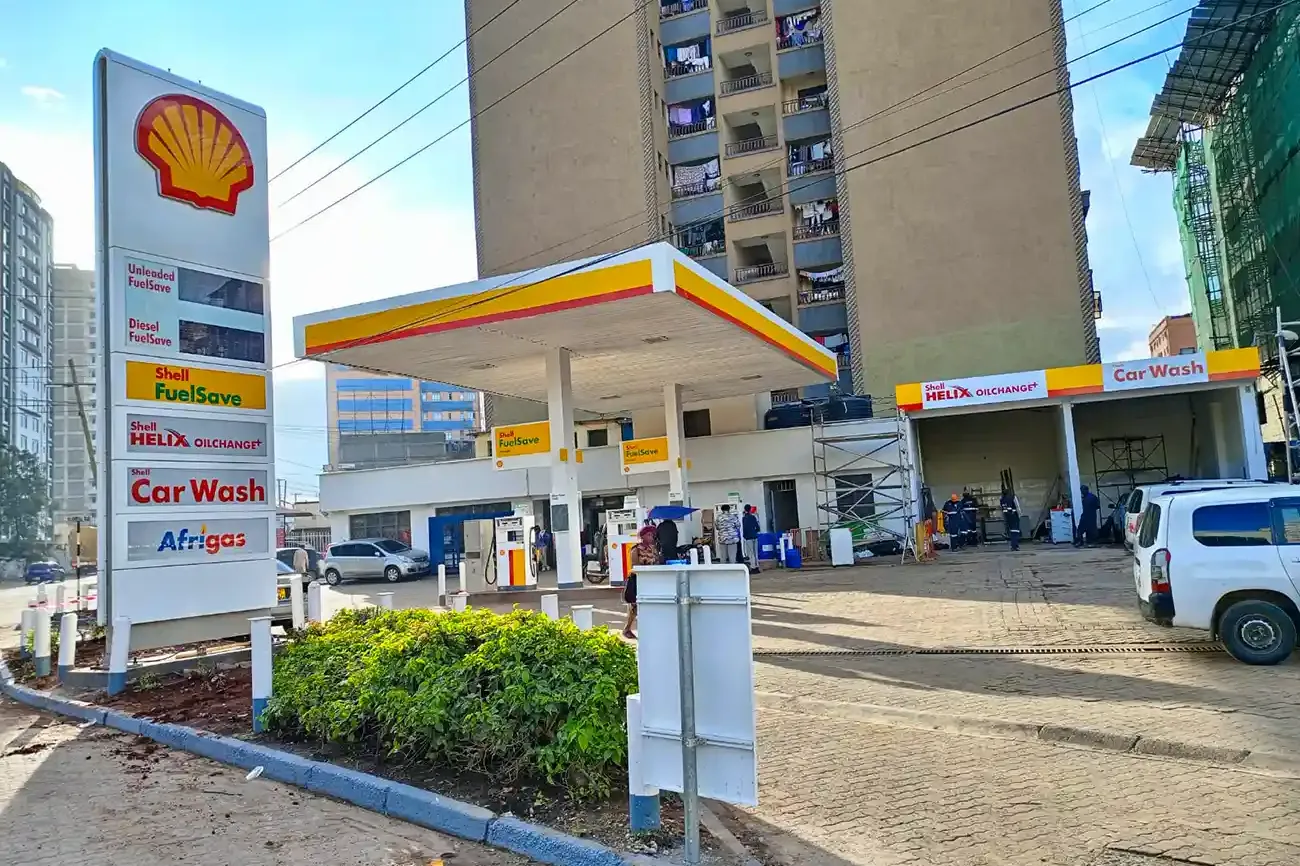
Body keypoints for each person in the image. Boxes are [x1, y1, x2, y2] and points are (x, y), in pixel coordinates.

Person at [623, 525, 658, 640]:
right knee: (635, 605)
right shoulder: (636, 549)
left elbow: (657, 562)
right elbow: (635, 566)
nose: (651, 537)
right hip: (638, 580)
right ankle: (627, 628)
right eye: (648, 535)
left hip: (650, 580)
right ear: (642, 536)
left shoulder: (653, 548)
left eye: (652, 535)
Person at [741, 505, 760, 571]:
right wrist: (754, 532)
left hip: (748, 537)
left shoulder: (744, 518)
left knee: (751, 553)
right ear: (750, 509)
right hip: (755, 536)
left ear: (744, 509)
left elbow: (744, 528)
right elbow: (758, 527)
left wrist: (744, 536)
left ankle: (753, 567)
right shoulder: (753, 517)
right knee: (755, 552)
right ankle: (757, 566)